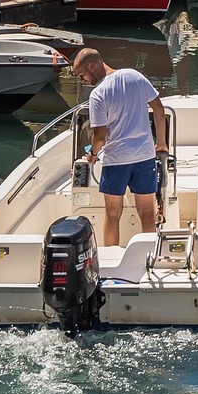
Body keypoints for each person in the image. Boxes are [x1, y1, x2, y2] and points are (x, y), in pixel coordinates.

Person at [73, 49, 168, 247]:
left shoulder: (98, 94)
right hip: (144, 156)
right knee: (147, 213)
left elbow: (99, 135)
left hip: (116, 160)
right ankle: (148, 254)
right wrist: (161, 143)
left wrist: (92, 154)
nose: (82, 79)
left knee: (113, 213)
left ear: (91, 66)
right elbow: (159, 109)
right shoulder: (135, 76)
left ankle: (111, 256)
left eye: (81, 74)